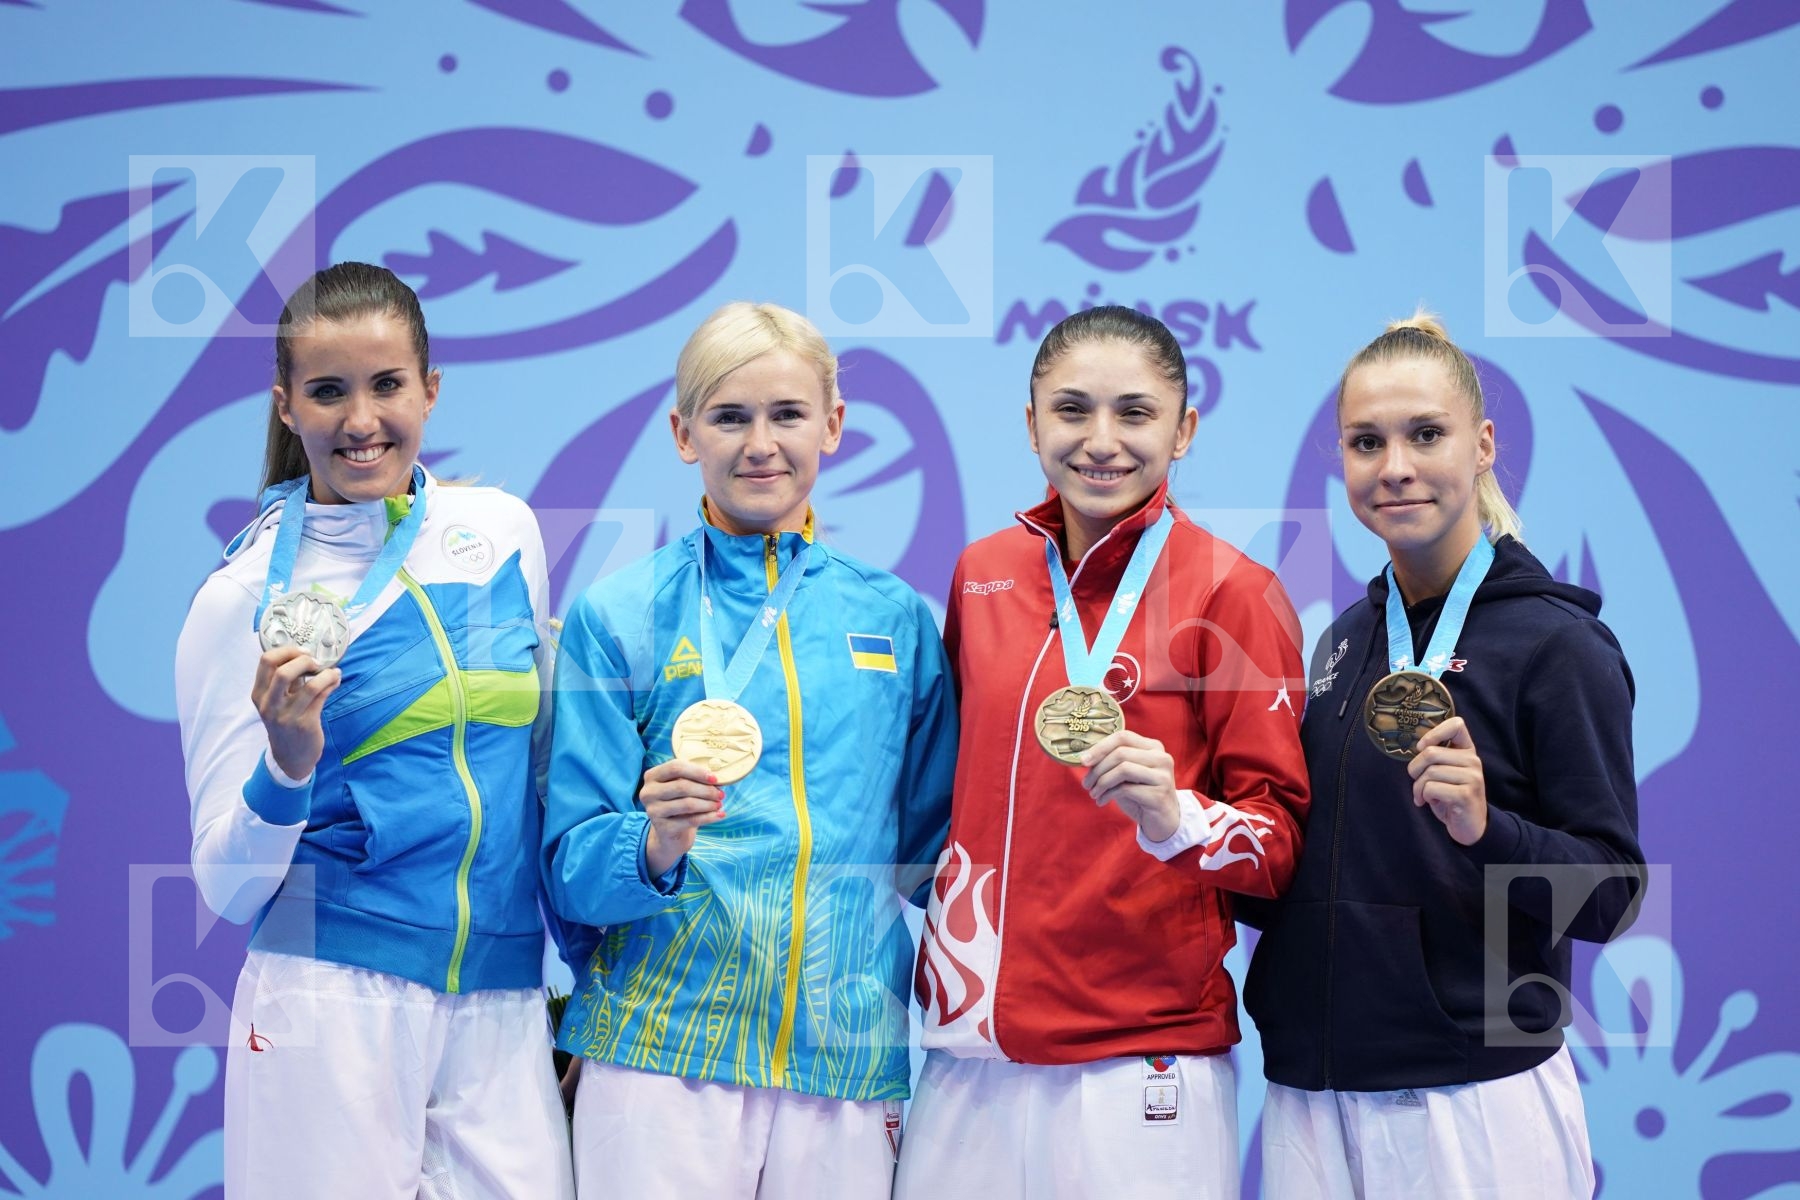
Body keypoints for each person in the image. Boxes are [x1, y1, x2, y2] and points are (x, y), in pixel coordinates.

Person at [893, 306, 1312, 1200]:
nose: (1102, 441)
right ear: (1033, 420)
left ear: (1184, 429)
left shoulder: (1235, 592)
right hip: (972, 1047)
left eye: (1135, 413)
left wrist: (1177, 816)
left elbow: (1280, 849)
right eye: (1073, 410)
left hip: (1139, 1050)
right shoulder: (984, 572)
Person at [174, 262, 573, 1199]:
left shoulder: (504, 533)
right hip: (330, 993)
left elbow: (545, 772)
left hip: (502, 994)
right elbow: (226, 889)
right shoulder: (239, 599)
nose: (361, 421)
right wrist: (286, 765)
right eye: (328, 391)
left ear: (431, 390)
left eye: (387, 385)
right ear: (286, 406)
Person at [542, 301, 958, 1199]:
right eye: (730, 417)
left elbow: (932, 859)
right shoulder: (617, 615)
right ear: (684, 432)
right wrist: (648, 846)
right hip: (658, 1059)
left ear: (834, 427)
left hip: (844, 1059)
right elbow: (568, 873)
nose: (760, 443)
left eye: (787, 414)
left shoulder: (895, 621)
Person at [1242, 312, 1646, 1198]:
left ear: (1484, 444)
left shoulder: (1558, 645)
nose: (1395, 467)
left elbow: (1612, 892)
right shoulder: (1347, 641)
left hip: (1471, 1091)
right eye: (1366, 441)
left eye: (1426, 434)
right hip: (1313, 1084)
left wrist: (1488, 827)